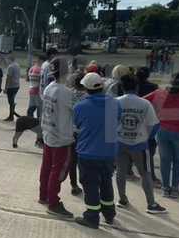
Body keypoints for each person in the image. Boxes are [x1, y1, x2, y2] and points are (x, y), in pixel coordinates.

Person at [72, 72, 121, 229]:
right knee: (106, 182)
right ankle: (109, 213)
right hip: (108, 151)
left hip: (88, 152)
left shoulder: (80, 106)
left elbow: (77, 124)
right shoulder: (115, 103)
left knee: (90, 185)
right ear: (102, 86)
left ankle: (92, 216)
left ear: (86, 88)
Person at [115, 75, 165, 213]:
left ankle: (122, 198)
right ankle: (151, 203)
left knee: (121, 171)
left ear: (122, 87)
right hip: (139, 144)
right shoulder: (144, 103)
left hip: (120, 142)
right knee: (146, 173)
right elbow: (153, 125)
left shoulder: (115, 102)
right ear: (136, 88)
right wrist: (146, 138)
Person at [38, 58, 75, 217]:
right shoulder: (65, 91)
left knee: (47, 167)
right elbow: (78, 108)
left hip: (49, 133)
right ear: (66, 72)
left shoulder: (49, 88)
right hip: (61, 137)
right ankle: (53, 202)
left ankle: (43, 195)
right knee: (58, 171)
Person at [3, 55, 21, 121]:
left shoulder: (10, 67)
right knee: (12, 100)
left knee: (10, 102)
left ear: (9, 60)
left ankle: (11, 115)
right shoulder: (17, 65)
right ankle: (12, 113)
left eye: (7, 60)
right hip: (17, 85)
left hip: (11, 86)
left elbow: (8, 78)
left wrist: (6, 88)